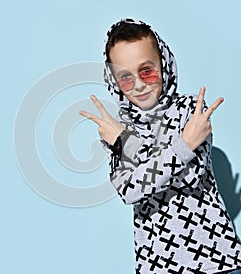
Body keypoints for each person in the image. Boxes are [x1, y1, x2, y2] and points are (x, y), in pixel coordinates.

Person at [79, 18, 241, 273]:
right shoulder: (119, 129)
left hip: (215, 260)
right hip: (158, 265)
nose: (139, 85)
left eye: (147, 70)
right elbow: (130, 190)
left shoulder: (191, 110)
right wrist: (183, 143)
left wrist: (128, 146)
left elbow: (189, 178)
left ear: (164, 64)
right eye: (125, 77)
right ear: (114, 81)